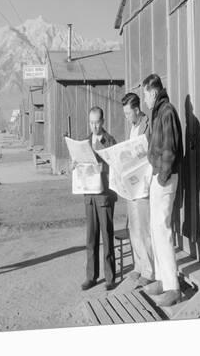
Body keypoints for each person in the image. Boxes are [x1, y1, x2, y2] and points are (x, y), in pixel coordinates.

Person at [142, 74, 183, 306]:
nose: (145, 99)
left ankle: (173, 288)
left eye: (146, 94)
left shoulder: (166, 111)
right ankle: (161, 278)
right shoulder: (159, 111)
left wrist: (162, 177)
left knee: (163, 229)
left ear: (153, 92)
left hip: (164, 179)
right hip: (159, 176)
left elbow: (170, 149)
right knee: (155, 229)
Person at [80, 106, 117, 291]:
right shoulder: (84, 142)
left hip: (104, 196)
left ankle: (110, 277)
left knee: (107, 236)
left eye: (97, 122)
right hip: (89, 195)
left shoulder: (110, 141)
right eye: (91, 122)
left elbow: (116, 166)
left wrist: (103, 168)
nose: (94, 126)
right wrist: (75, 165)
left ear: (103, 122)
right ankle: (91, 276)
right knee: (91, 238)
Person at [121, 92, 154, 286]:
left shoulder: (146, 125)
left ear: (136, 109)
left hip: (143, 184)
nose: (126, 117)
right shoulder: (132, 128)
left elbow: (149, 152)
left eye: (127, 113)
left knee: (144, 229)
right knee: (133, 227)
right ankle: (138, 266)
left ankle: (149, 271)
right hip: (131, 184)